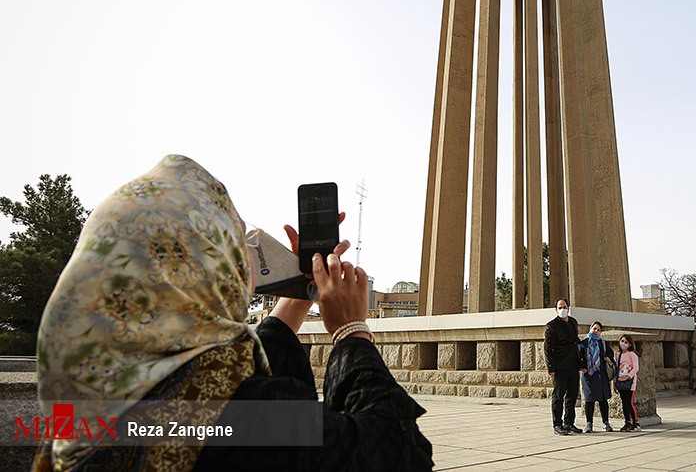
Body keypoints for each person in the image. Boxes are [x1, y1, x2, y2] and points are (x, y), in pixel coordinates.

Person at [33, 155, 433, 471]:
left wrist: (304, 288)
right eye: (232, 244)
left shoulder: (80, 405)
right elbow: (398, 452)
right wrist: (351, 331)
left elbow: (241, 362)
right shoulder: (244, 421)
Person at [544, 298, 582, 435]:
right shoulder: (551, 326)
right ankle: (557, 424)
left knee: (572, 395)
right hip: (560, 366)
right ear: (556, 310)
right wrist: (551, 367)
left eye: (564, 307)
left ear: (568, 308)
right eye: (560, 307)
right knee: (558, 396)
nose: (562, 309)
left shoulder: (573, 322)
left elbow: (576, 342)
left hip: (573, 365)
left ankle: (569, 423)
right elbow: (548, 349)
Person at [579, 321, 615, 433]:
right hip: (589, 375)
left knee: (603, 400)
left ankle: (606, 423)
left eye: (599, 330)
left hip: (601, 375)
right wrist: (583, 367)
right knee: (589, 400)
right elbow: (579, 356)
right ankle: (589, 424)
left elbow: (610, 353)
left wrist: (608, 358)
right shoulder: (584, 343)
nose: (596, 331)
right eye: (594, 328)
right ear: (591, 329)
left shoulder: (602, 343)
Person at [614, 334, 640, 432]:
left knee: (629, 403)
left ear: (629, 344)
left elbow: (636, 368)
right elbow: (617, 368)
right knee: (624, 403)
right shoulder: (618, 355)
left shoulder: (632, 354)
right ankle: (627, 422)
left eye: (626, 342)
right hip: (620, 382)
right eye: (622, 341)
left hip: (629, 382)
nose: (623, 344)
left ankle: (635, 422)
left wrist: (627, 377)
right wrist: (615, 382)